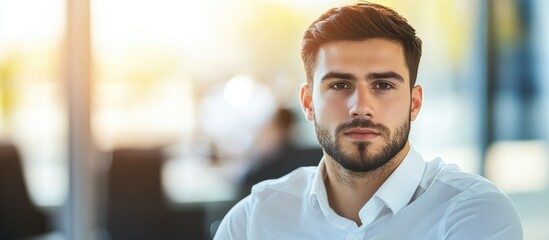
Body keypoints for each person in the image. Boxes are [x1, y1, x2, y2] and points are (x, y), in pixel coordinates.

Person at [214, 2, 523, 239]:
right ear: (308, 103)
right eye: (339, 85)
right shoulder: (253, 220)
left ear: (414, 103)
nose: (361, 107)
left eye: (383, 86)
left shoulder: (474, 214)